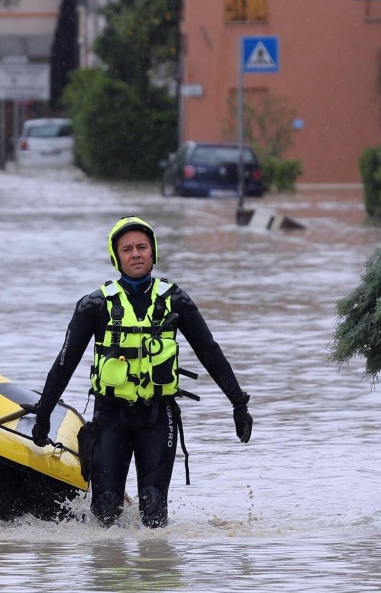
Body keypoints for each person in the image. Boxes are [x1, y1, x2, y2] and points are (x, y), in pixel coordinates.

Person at [30, 215, 253, 528]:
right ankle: (109, 573)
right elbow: (64, 364)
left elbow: (209, 352)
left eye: (142, 247)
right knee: (105, 511)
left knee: (153, 512)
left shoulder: (175, 300)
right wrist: (43, 416)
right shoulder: (92, 306)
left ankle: (156, 572)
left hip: (158, 418)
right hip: (109, 418)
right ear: (115, 257)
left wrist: (238, 403)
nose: (135, 253)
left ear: (153, 253)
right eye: (127, 249)